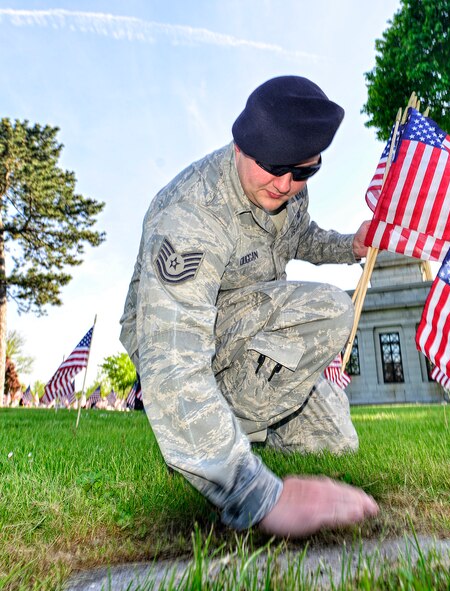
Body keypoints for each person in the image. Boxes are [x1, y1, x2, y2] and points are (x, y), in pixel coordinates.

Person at [119, 75, 378, 537]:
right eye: (275, 167)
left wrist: (349, 246)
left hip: (252, 334)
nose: (284, 185)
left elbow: (300, 235)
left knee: (335, 445)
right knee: (330, 309)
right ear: (241, 145)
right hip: (185, 329)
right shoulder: (193, 211)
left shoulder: (285, 183)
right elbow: (171, 358)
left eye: (303, 172)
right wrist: (257, 495)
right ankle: (214, 432)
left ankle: (242, 423)